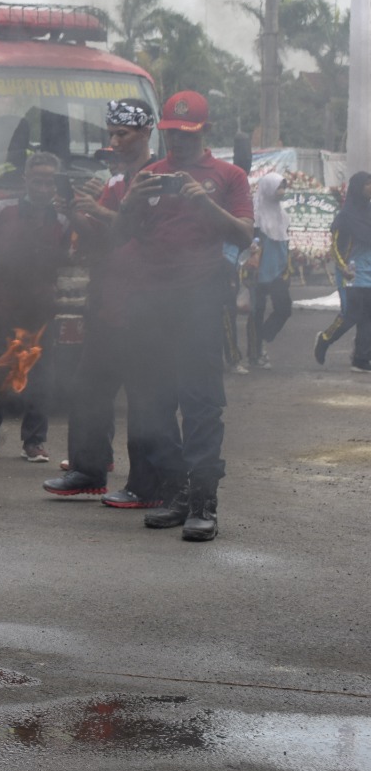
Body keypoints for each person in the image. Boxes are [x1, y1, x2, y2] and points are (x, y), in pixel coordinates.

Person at [112, 92, 252, 542]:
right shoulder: (151, 175)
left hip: (201, 299)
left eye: (187, 133)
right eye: (172, 132)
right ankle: (176, 491)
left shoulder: (229, 176)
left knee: (201, 401)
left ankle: (204, 501)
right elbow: (117, 237)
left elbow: (245, 234)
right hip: (151, 301)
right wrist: (132, 199)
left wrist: (204, 203)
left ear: (203, 131)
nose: (180, 140)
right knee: (153, 402)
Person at [44, 98, 162, 506]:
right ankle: (88, 469)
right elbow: (103, 237)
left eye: (122, 134)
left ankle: (145, 485)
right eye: (110, 133)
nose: (114, 141)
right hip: (109, 302)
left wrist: (96, 210)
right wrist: (77, 215)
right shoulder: (115, 182)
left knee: (145, 399)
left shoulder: (158, 178)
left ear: (145, 133)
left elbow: (144, 233)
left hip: (146, 307)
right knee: (89, 386)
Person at [0, 153, 69, 464]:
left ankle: (34, 443)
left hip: (40, 308)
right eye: (37, 180)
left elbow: (66, 259)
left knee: (41, 376)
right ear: (25, 179)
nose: (43, 186)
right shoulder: (2, 209)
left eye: (49, 181)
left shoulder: (62, 219)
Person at [316, 172, 371, 370]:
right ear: (358, 188)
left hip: (369, 273)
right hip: (352, 273)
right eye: (367, 184)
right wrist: (343, 267)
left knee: (368, 318)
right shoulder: (345, 216)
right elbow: (335, 246)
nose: (370, 187)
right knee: (350, 315)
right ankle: (324, 339)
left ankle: (361, 359)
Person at [246, 169, 292, 368]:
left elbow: (284, 242)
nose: (281, 191)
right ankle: (255, 354)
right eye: (278, 187)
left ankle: (262, 339)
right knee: (257, 311)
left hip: (279, 272)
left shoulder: (282, 215)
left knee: (284, 309)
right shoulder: (255, 217)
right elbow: (248, 244)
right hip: (258, 273)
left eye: (283, 187)